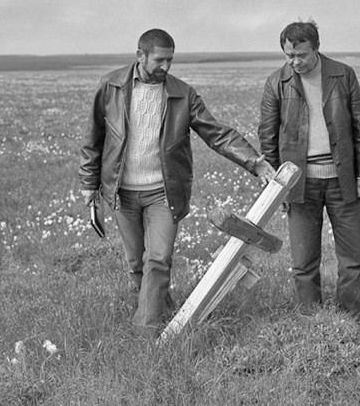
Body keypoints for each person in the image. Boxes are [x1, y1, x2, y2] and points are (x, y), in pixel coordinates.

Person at [79, 28, 275, 332]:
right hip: (121, 192)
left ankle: (145, 332)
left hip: (163, 193)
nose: (166, 66)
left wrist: (253, 161)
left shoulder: (183, 94)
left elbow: (216, 134)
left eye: (170, 60)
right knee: (137, 264)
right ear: (140, 55)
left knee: (158, 259)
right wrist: (89, 185)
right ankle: (166, 310)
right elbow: (94, 137)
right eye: (159, 60)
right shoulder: (111, 86)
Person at [258, 20, 360, 320]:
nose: (295, 62)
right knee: (303, 261)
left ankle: (352, 318)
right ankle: (310, 320)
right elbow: (268, 139)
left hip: (343, 180)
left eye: (302, 55)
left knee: (353, 258)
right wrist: (275, 189)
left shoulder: (343, 74)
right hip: (298, 185)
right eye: (289, 56)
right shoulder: (276, 82)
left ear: (317, 48)